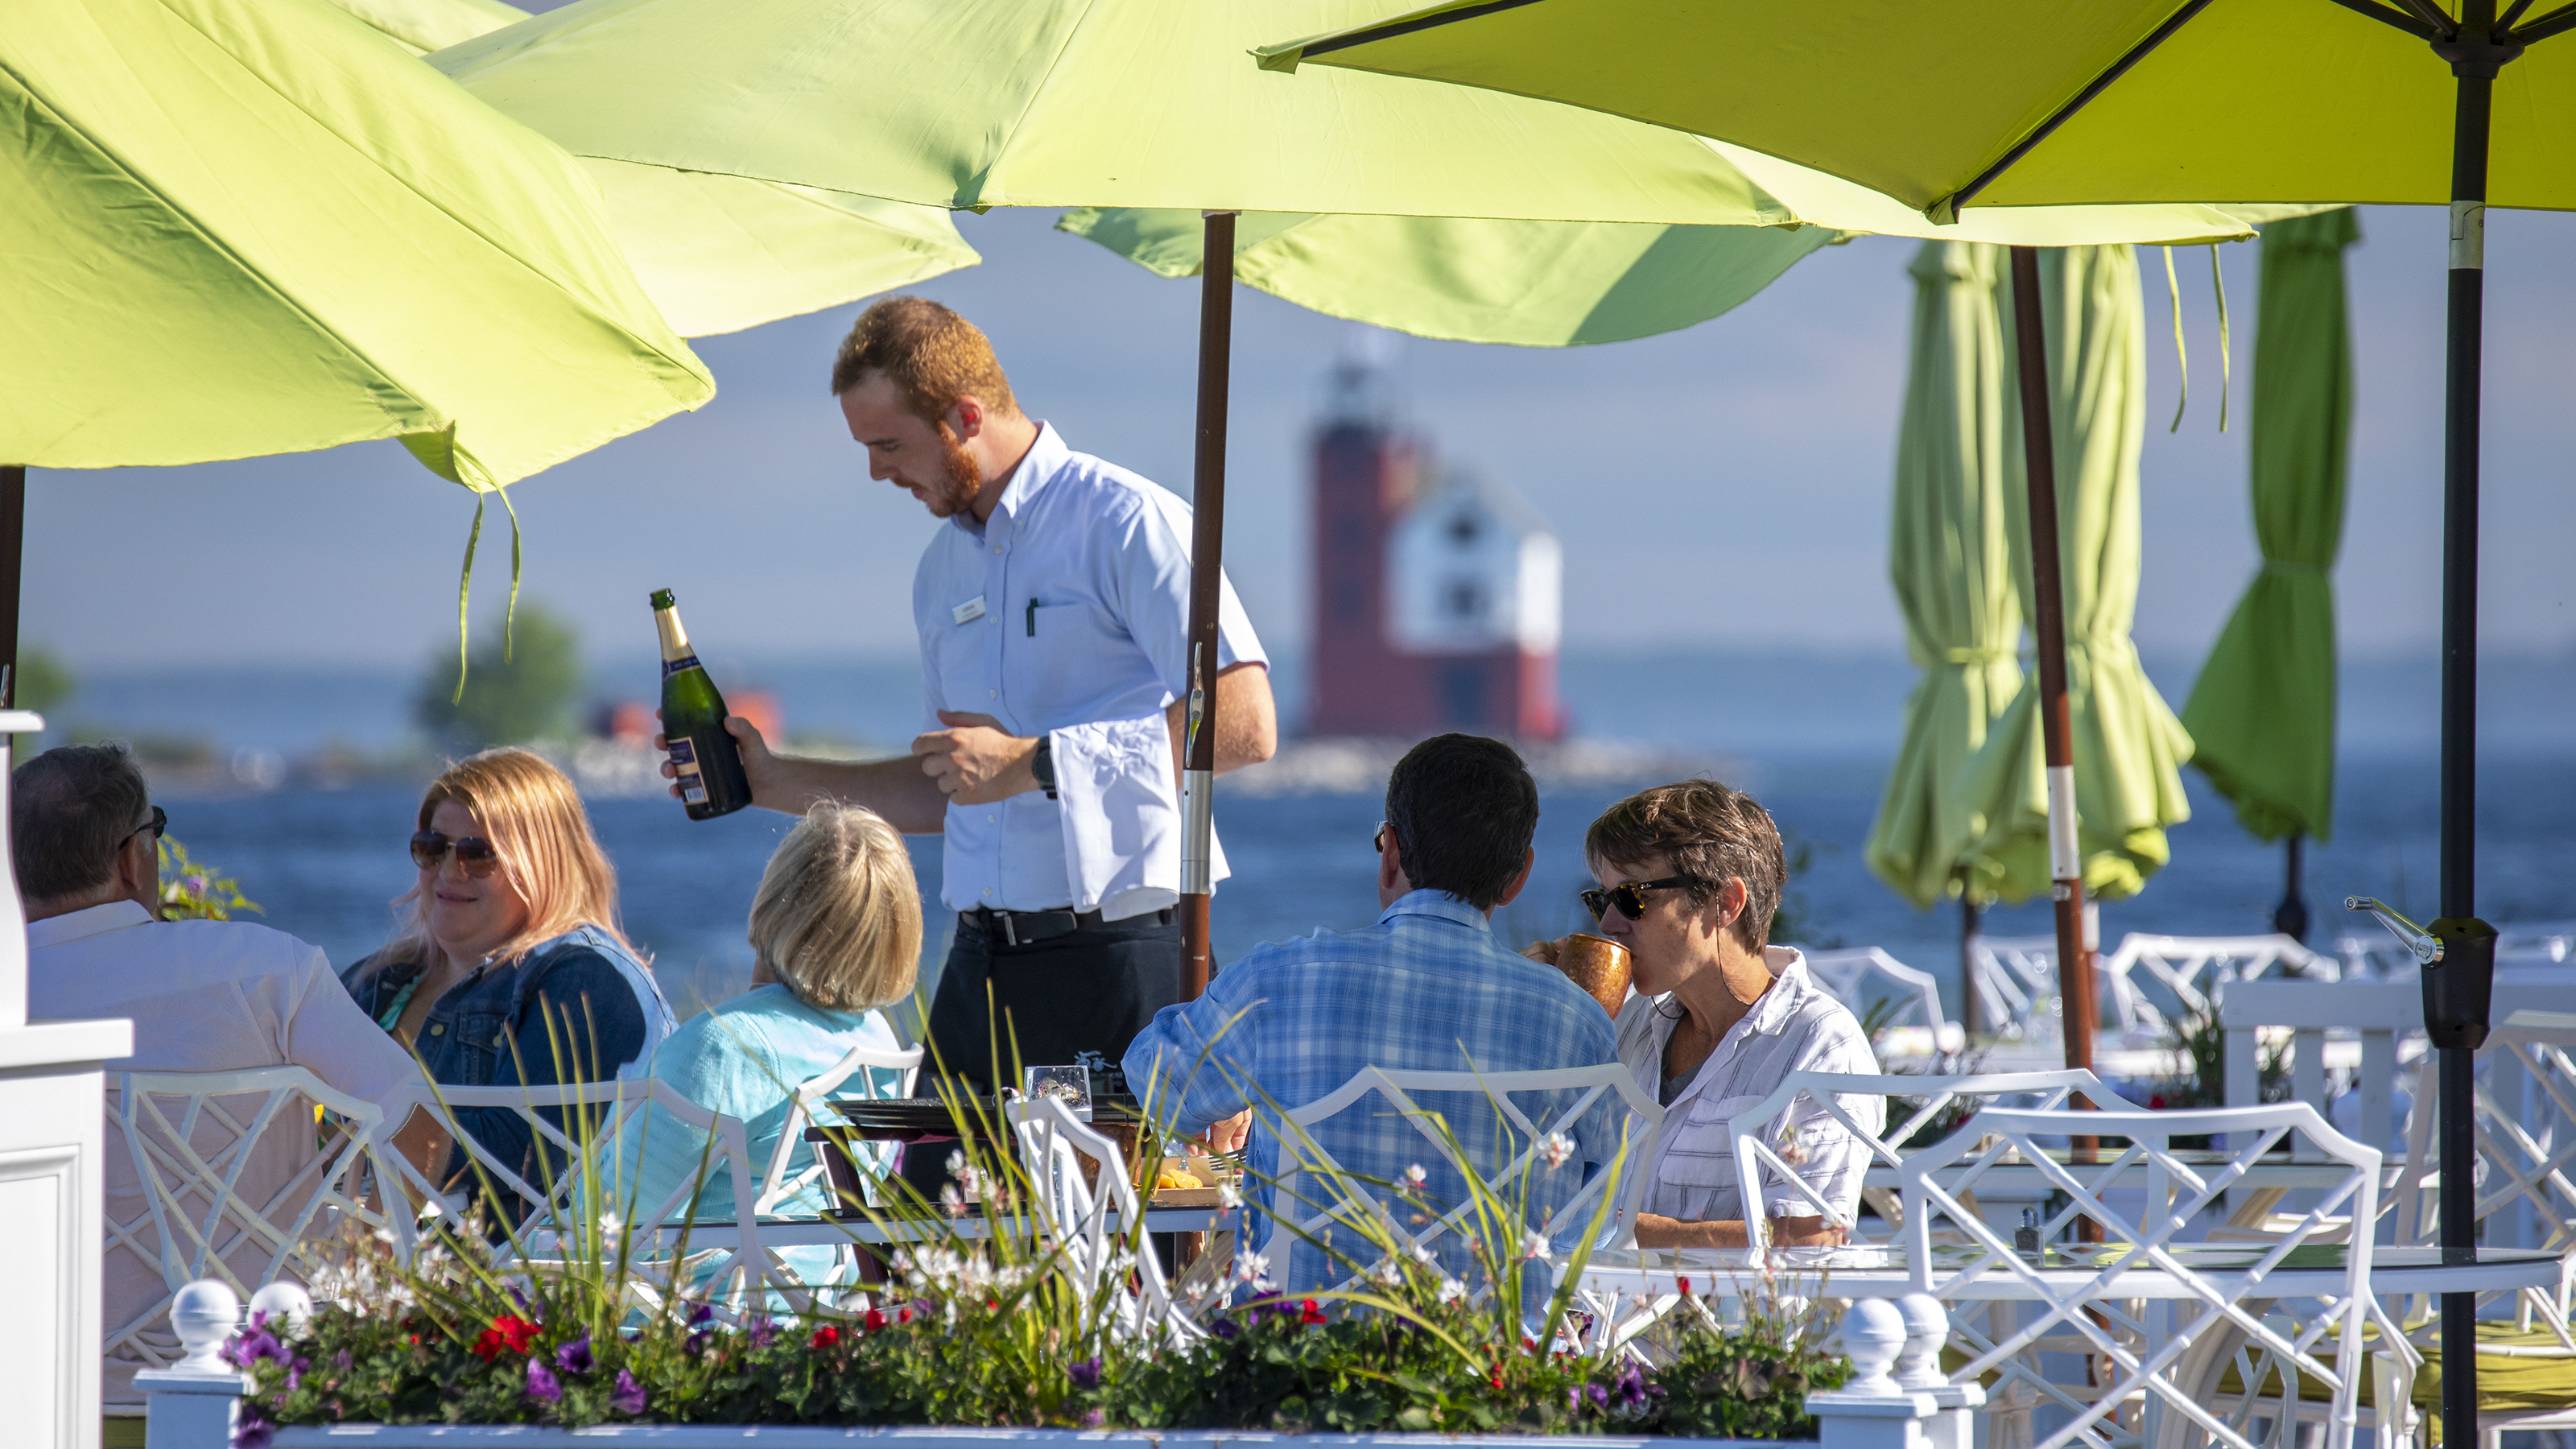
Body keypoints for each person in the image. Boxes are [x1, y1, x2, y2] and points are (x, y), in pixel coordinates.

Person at [661, 295, 1277, 1104]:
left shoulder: (1128, 522)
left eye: (888, 444)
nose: (877, 472)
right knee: (916, 1234)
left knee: (1134, 1232)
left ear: (964, 416)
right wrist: (770, 780)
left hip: (1124, 958)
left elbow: (1243, 724)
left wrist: (1031, 763)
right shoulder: (938, 573)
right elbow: (959, 785)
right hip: (980, 964)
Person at [14, 742, 440, 1412]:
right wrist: (359, 1276)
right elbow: (421, 1130)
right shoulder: (266, 971)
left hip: (36, 1388)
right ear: (133, 857)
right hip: (260, 1381)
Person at [1124, 734, 1624, 1293]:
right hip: (1497, 1367)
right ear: (1518, 877)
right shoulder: (1577, 1022)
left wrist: (1238, 1099)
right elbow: (1594, 1218)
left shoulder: (1281, 982)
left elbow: (1155, 1078)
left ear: (1390, 853)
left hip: (1292, 1360)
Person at [1530, 780, 1879, 1249]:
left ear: (1725, 903)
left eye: (1632, 898)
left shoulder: (1818, 1042)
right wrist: (1535, 1019)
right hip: (1601, 1317)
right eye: (1601, 900)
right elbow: (1530, 1170)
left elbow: (1813, 1237)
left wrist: (1612, 1230)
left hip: (1727, 1322)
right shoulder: (1628, 1025)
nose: (1608, 924)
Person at [341, 747, 677, 1203]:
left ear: (542, 864)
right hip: (344, 1247)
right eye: (433, 848)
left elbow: (522, 1159)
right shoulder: (377, 980)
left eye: (478, 855)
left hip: (512, 1268)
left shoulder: (586, 979)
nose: (449, 871)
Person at [613, 803, 919, 1288]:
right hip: (811, 1312)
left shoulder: (725, 1048)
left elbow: (608, 1218)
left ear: (774, 899)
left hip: (687, 1322)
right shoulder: (877, 1039)